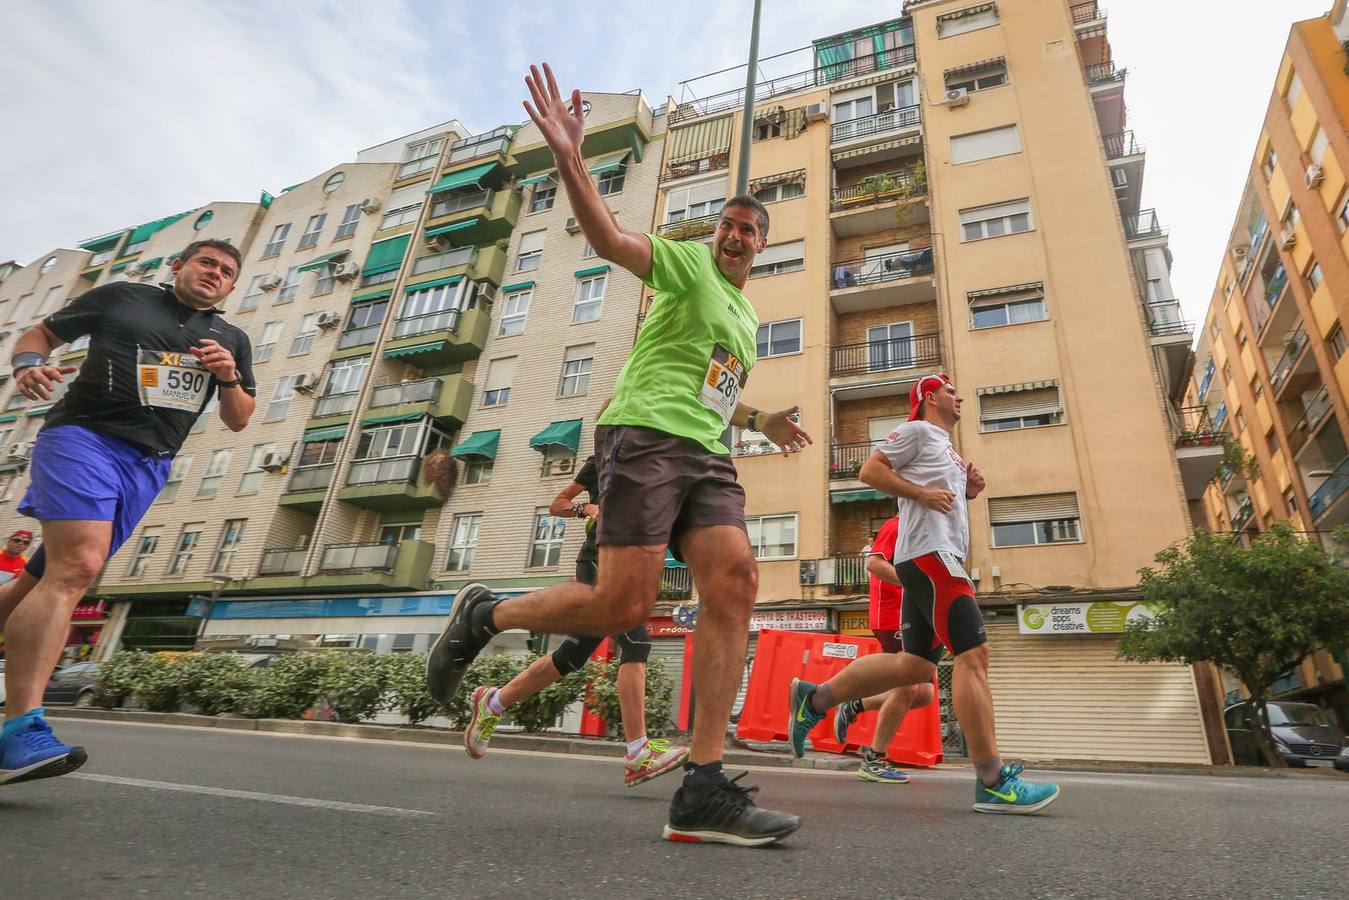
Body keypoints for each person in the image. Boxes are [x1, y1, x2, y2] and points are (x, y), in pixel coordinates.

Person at [427, 64, 811, 847]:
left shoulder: (742, 314)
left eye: (748, 229)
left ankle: (702, 787)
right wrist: (570, 155)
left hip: (705, 451)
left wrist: (759, 416)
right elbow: (605, 237)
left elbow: (707, 387)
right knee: (622, 608)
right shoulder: (685, 263)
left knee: (736, 579)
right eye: (727, 224)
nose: (734, 235)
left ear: (764, 244)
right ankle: (484, 613)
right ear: (716, 233)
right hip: (642, 437)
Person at [0, 240, 255, 786]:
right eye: (207, 262)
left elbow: (240, 419)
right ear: (178, 266)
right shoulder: (122, 297)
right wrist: (27, 365)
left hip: (149, 466)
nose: (216, 273)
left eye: (228, 271)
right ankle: (21, 729)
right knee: (78, 569)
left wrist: (229, 377)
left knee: (42, 580)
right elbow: (41, 334)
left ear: (233, 287)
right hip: (84, 438)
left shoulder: (231, 338)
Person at [787, 374, 1060, 814]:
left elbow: (941, 501)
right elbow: (870, 470)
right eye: (951, 391)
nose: (959, 397)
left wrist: (966, 492)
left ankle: (814, 698)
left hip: (934, 557)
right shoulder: (915, 430)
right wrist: (921, 494)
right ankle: (992, 781)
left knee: (914, 667)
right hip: (932, 558)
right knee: (974, 656)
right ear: (930, 398)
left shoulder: (947, 448)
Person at [462, 454, 688, 786]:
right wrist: (587, 509)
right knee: (636, 641)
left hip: (632, 567)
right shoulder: (603, 460)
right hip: (600, 559)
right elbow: (558, 504)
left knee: (571, 655)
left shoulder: (660, 463)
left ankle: (494, 702)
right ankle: (638, 752)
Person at [831, 515, 933, 784]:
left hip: (916, 615)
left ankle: (854, 704)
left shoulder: (928, 530)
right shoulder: (897, 524)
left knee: (924, 694)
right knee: (908, 687)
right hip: (892, 615)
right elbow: (874, 563)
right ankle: (874, 759)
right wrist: (913, 583)